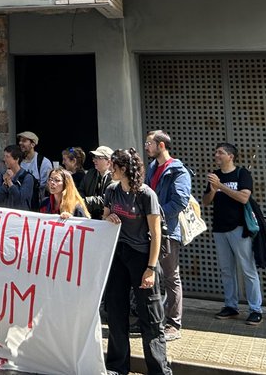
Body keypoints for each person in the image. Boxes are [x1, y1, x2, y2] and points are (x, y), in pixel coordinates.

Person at [103, 148, 171, 375]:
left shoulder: (145, 194)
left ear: (123, 169)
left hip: (142, 256)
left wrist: (151, 268)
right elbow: (106, 215)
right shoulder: (111, 190)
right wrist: (108, 217)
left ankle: (159, 369)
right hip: (119, 254)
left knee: (150, 316)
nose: (110, 169)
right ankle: (116, 367)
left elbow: (156, 233)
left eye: (113, 166)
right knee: (115, 311)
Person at [204, 142, 263, 325]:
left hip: (239, 228)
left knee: (247, 269)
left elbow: (244, 197)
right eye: (216, 153)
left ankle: (255, 309)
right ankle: (231, 305)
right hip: (220, 229)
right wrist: (213, 190)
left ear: (231, 156)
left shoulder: (241, 174)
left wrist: (220, 186)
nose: (216, 155)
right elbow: (206, 201)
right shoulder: (216, 176)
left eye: (220, 152)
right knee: (226, 270)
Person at [145, 130, 192, 341]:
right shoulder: (152, 168)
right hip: (147, 229)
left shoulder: (178, 171)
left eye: (149, 143)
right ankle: (150, 318)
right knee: (149, 275)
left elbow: (180, 202)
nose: (147, 147)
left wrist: (156, 215)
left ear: (161, 146)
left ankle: (174, 324)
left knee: (171, 276)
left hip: (167, 231)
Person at [17, 131, 52, 209]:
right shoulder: (18, 161)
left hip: (37, 207)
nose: (20, 143)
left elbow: (47, 185)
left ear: (33, 144)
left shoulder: (44, 162)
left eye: (24, 141)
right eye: (20, 140)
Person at [82, 146, 115, 220]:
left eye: (98, 158)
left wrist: (83, 202)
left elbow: (106, 200)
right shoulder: (90, 173)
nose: (94, 160)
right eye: (94, 157)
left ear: (109, 161)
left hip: (107, 220)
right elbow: (81, 190)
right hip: (89, 218)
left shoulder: (114, 177)